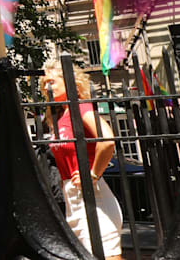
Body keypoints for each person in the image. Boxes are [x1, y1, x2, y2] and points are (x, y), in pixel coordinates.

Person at [40, 58, 124, 260]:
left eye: (52, 82)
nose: (46, 87)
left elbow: (107, 139)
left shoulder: (80, 109)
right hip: (72, 200)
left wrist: (92, 173)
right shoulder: (59, 117)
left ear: (71, 84)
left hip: (93, 197)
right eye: (44, 84)